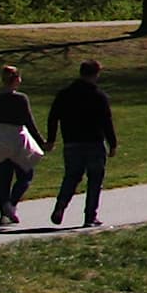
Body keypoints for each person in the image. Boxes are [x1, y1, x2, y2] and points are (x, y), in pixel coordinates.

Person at [45, 59, 120, 228]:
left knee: (71, 177)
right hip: (94, 142)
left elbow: (53, 117)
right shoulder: (98, 96)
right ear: (96, 74)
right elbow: (106, 121)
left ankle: (60, 206)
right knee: (95, 179)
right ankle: (90, 216)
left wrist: (51, 139)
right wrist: (113, 143)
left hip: (71, 142)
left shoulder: (64, 94)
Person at [0, 65, 43, 226]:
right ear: (16, 80)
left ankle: (4, 213)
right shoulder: (20, 99)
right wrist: (42, 142)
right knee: (26, 175)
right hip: (16, 140)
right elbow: (29, 122)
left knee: (3, 179)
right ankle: (11, 205)